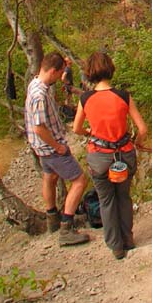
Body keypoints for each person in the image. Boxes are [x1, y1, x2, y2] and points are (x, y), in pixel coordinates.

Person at [73, 52, 147, 260]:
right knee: (123, 196)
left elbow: (77, 128)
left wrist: (90, 133)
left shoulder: (85, 99)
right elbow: (142, 128)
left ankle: (116, 246)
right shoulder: (123, 96)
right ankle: (128, 239)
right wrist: (138, 143)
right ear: (110, 69)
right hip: (124, 155)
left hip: (99, 157)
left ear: (90, 72)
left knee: (106, 200)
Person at [24, 52, 90, 246]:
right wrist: (58, 147)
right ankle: (66, 229)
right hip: (50, 147)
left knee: (50, 177)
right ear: (52, 71)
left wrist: (65, 65)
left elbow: (55, 70)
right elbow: (39, 127)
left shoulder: (36, 83)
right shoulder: (39, 95)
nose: (62, 76)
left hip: (41, 148)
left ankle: (52, 216)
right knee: (79, 181)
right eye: (60, 72)